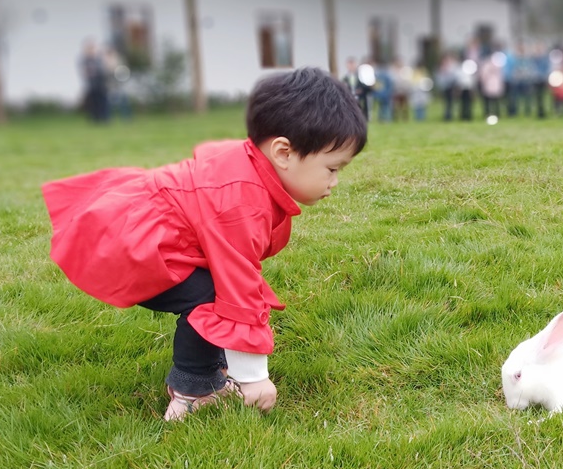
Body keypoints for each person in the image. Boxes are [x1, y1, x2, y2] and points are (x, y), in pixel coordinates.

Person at [41, 68, 367, 421]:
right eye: (332, 169)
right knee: (211, 295)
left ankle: (209, 365)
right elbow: (238, 290)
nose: (335, 181)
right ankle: (192, 390)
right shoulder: (241, 202)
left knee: (210, 285)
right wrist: (254, 378)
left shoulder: (250, 165)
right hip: (131, 247)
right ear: (284, 152)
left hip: (140, 233)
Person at [79, 38, 109, 123]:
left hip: (101, 82)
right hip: (91, 83)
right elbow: (84, 71)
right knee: (93, 102)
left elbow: (103, 69)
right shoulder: (84, 60)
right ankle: (95, 118)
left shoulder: (98, 59)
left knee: (102, 100)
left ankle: (104, 117)